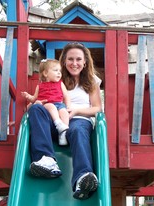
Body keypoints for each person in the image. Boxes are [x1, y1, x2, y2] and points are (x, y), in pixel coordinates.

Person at [27, 42, 102, 200]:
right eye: (70, 59)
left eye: (78, 59)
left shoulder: (91, 81)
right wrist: (36, 103)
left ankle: (83, 178)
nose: (74, 63)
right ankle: (46, 160)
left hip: (78, 120)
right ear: (64, 61)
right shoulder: (56, 78)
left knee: (78, 129)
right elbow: (42, 99)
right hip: (56, 122)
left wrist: (76, 111)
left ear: (85, 62)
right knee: (35, 109)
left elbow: (97, 108)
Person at [22, 59, 70, 145]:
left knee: (64, 113)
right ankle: (58, 123)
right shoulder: (40, 86)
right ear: (45, 73)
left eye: (60, 71)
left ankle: (63, 132)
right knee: (51, 106)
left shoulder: (60, 84)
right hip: (46, 105)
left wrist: (68, 106)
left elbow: (66, 96)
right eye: (56, 70)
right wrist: (28, 96)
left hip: (59, 104)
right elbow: (34, 99)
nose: (59, 73)